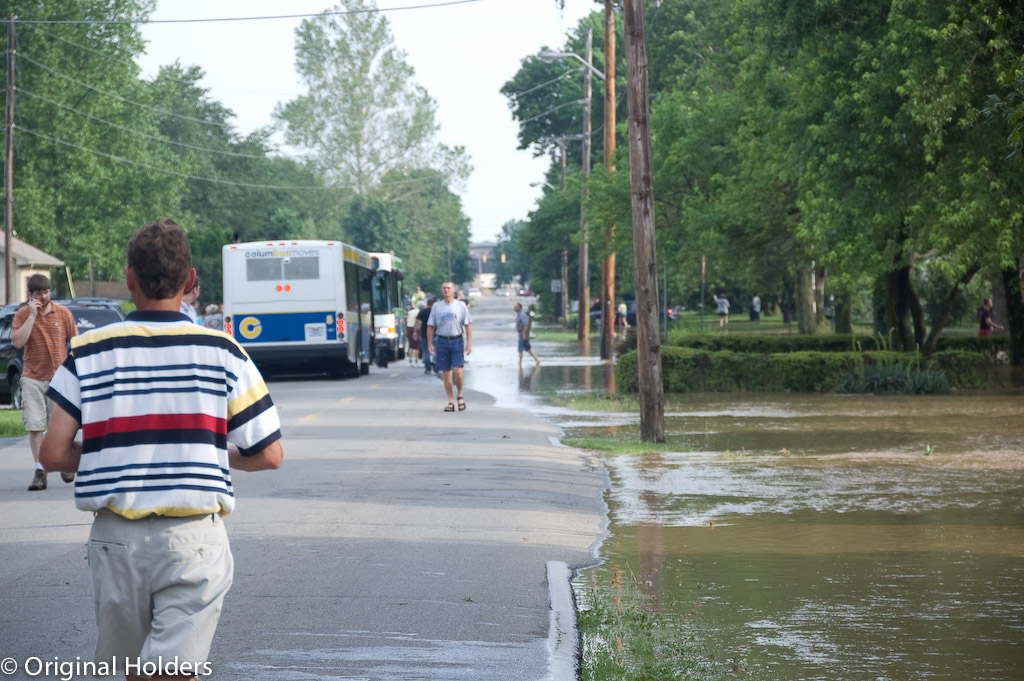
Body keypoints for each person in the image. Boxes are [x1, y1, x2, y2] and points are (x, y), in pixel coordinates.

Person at [40, 218, 283, 680]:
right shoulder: (225, 351)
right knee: (174, 673)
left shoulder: (88, 351)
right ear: (190, 281)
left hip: (115, 541)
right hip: (193, 540)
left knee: (130, 672)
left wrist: (113, 453)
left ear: (130, 278)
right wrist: (209, 453)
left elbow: (51, 455)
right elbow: (269, 453)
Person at [13, 274, 78, 491]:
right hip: (32, 377)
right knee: (35, 424)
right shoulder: (22, 314)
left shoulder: (63, 314)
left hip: (58, 378)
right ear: (31, 295)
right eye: (39, 293)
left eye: (47, 291)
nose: (44, 296)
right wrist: (32, 316)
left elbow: (76, 343)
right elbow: (18, 342)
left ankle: (66, 462)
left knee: (59, 425)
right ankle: (40, 472)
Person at [427, 281, 472, 412]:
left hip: (456, 339)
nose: (447, 290)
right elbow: (431, 326)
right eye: (444, 288)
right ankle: (450, 401)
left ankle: (460, 395)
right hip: (442, 340)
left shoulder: (461, 306)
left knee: (458, 370)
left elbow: (468, 325)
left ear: (453, 291)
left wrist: (469, 343)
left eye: (449, 288)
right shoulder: (436, 306)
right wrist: (430, 343)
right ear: (442, 291)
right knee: (446, 372)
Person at [514, 302, 540, 367]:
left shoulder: (522, 315)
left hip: (522, 333)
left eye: (515, 307)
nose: (514, 308)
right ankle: (537, 360)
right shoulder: (519, 314)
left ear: (519, 307)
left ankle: (519, 363)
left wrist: (524, 334)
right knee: (527, 348)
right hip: (522, 333)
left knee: (520, 349)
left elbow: (525, 325)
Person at [416, 297, 435, 374]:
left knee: (425, 352)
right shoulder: (435, 312)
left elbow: (417, 322)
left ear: (427, 304)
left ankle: (428, 368)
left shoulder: (422, 312)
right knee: (435, 351)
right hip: (435, 334)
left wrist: (416, 332)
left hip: (424, 334)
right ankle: (436, 365)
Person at [407, 300, 423, 365]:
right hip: (415, 328)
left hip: (408, 328)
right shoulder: (419, 312)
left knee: (410, 345)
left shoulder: (410, 312)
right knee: (416, 346)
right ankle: (416, 361)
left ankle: (410, 360)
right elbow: (418, 322)